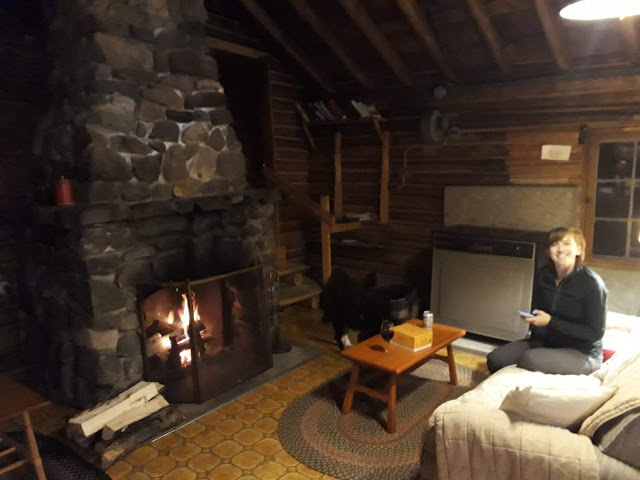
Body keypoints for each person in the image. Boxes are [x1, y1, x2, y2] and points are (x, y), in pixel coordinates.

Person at [486, 226, 607, 375]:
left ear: (579, 250)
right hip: (545, 343)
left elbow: (595, 333)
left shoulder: (592, 284)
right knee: (496, 358)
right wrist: (533, 321)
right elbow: (537, 309)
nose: (560, 249)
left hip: (581, 352)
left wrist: (551, 322)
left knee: (530, 359)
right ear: (549, 251)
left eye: (567, 244)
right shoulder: (543, 275)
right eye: (554, 244)